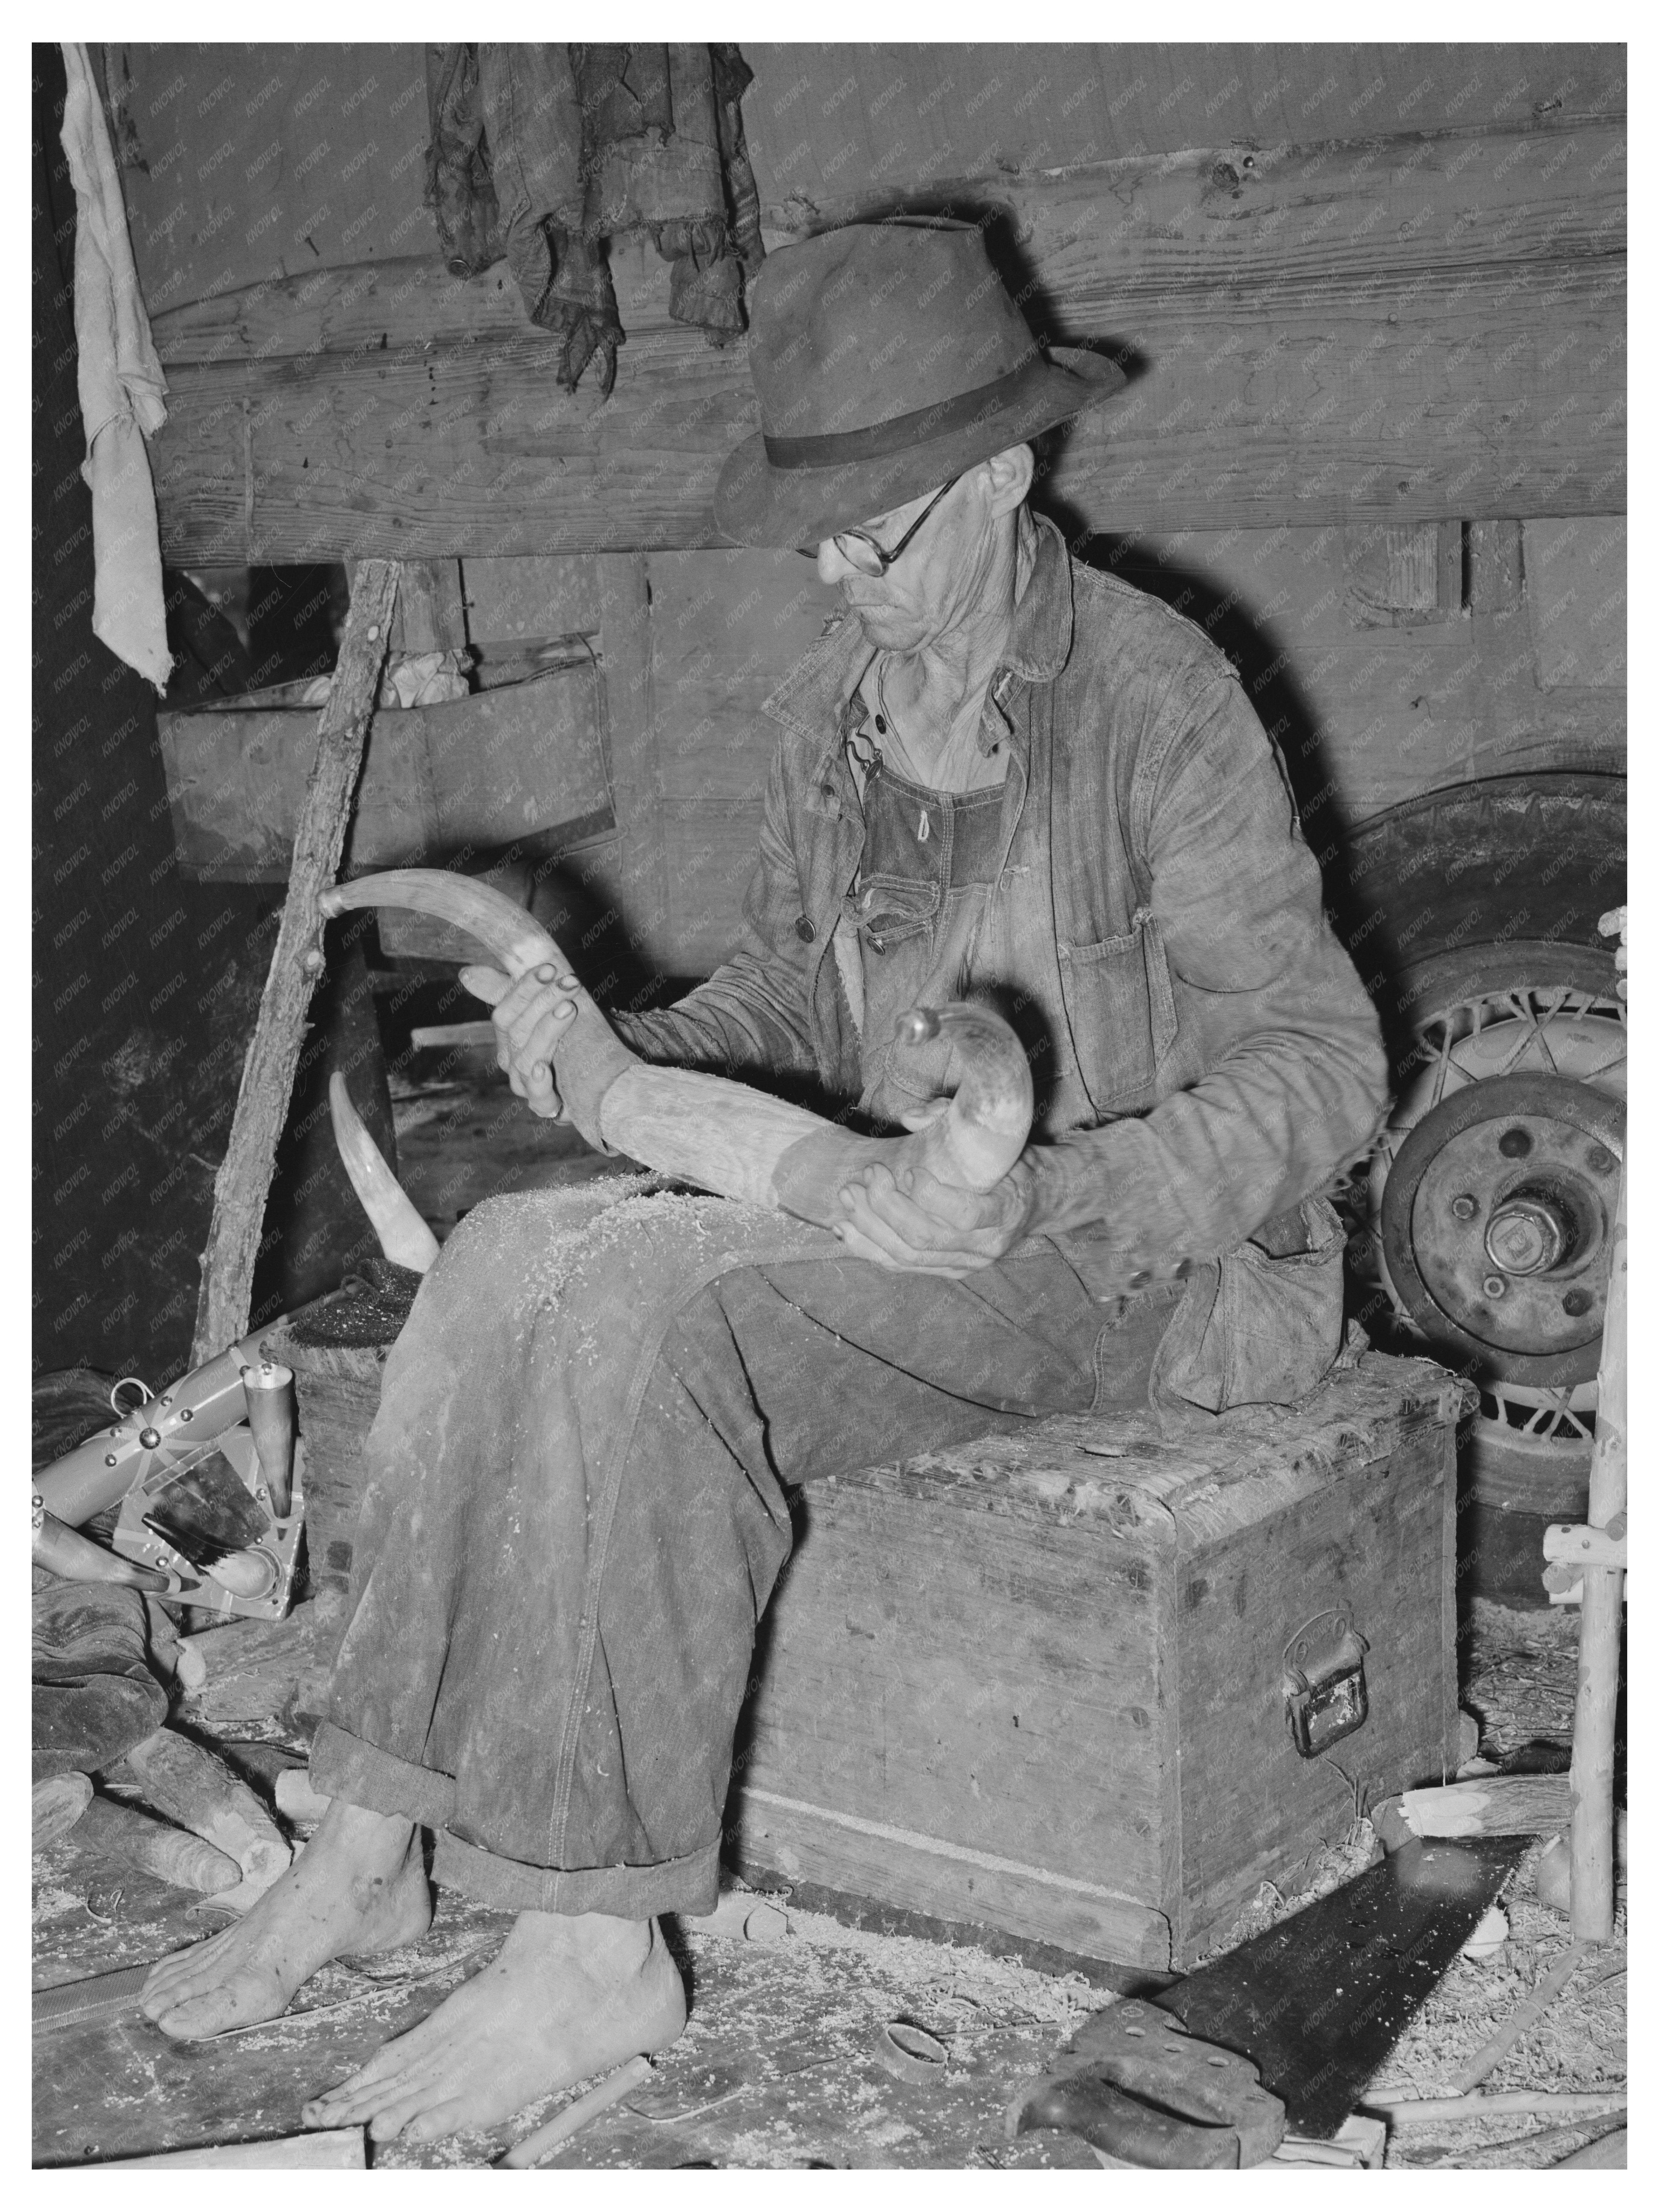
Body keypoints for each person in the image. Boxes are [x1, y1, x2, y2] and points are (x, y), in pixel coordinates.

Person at [139, 221, 1388, 2146]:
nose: (833, 572)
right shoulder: (836, 716)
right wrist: (622, 1050)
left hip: (1119, 1251)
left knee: (656, 1311)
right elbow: (803, 981)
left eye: (871, 534)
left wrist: (1056, 1195)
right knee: (500, 1256)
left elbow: (1328, 1067)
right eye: (810, 531)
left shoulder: (1157, 696)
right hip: (884, 1203)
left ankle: (594, 1944)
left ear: (1000, 478)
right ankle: (380, 1823)